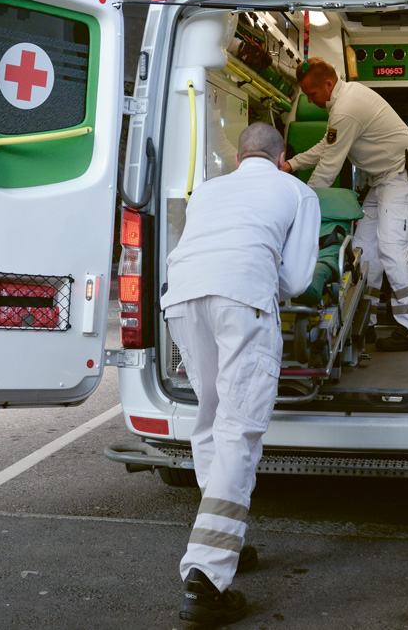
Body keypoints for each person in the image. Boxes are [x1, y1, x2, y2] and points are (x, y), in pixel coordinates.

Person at [161, 122, 320, 625]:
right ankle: (206, 577)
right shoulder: (296, 190)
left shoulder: (208, 189)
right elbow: (295, 280)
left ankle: (225, 544)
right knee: (240, 428)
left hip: (183, 297)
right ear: (280, 159)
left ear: (237, 158)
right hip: (242, 300)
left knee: (209, 417)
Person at [282, 58, 408, 351]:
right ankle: (366, 320)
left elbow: (328, 168)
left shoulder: (347, 108)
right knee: (362, 248)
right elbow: (327, 145)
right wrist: (290, 165)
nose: (311, 100)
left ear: (328, 83)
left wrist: (301, 207)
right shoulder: (341, 104)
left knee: (390, 247)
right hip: (383, 180)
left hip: (402, 176)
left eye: (312, 94)